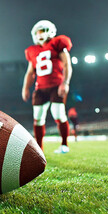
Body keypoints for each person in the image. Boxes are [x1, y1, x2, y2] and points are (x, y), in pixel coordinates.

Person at [22, 20, 73, 153]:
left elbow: (67, 64)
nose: (40, 35)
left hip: (56, 85)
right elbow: (30, 72)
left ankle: (64, 145)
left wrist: (65, 83)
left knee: (58, 113)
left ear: (50, 31)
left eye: (42, 31)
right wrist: (25, 87)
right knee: (37, 118)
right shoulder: (32, 51)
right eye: (37, 32)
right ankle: (39, 149)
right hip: (40, 88)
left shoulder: (57, 43)